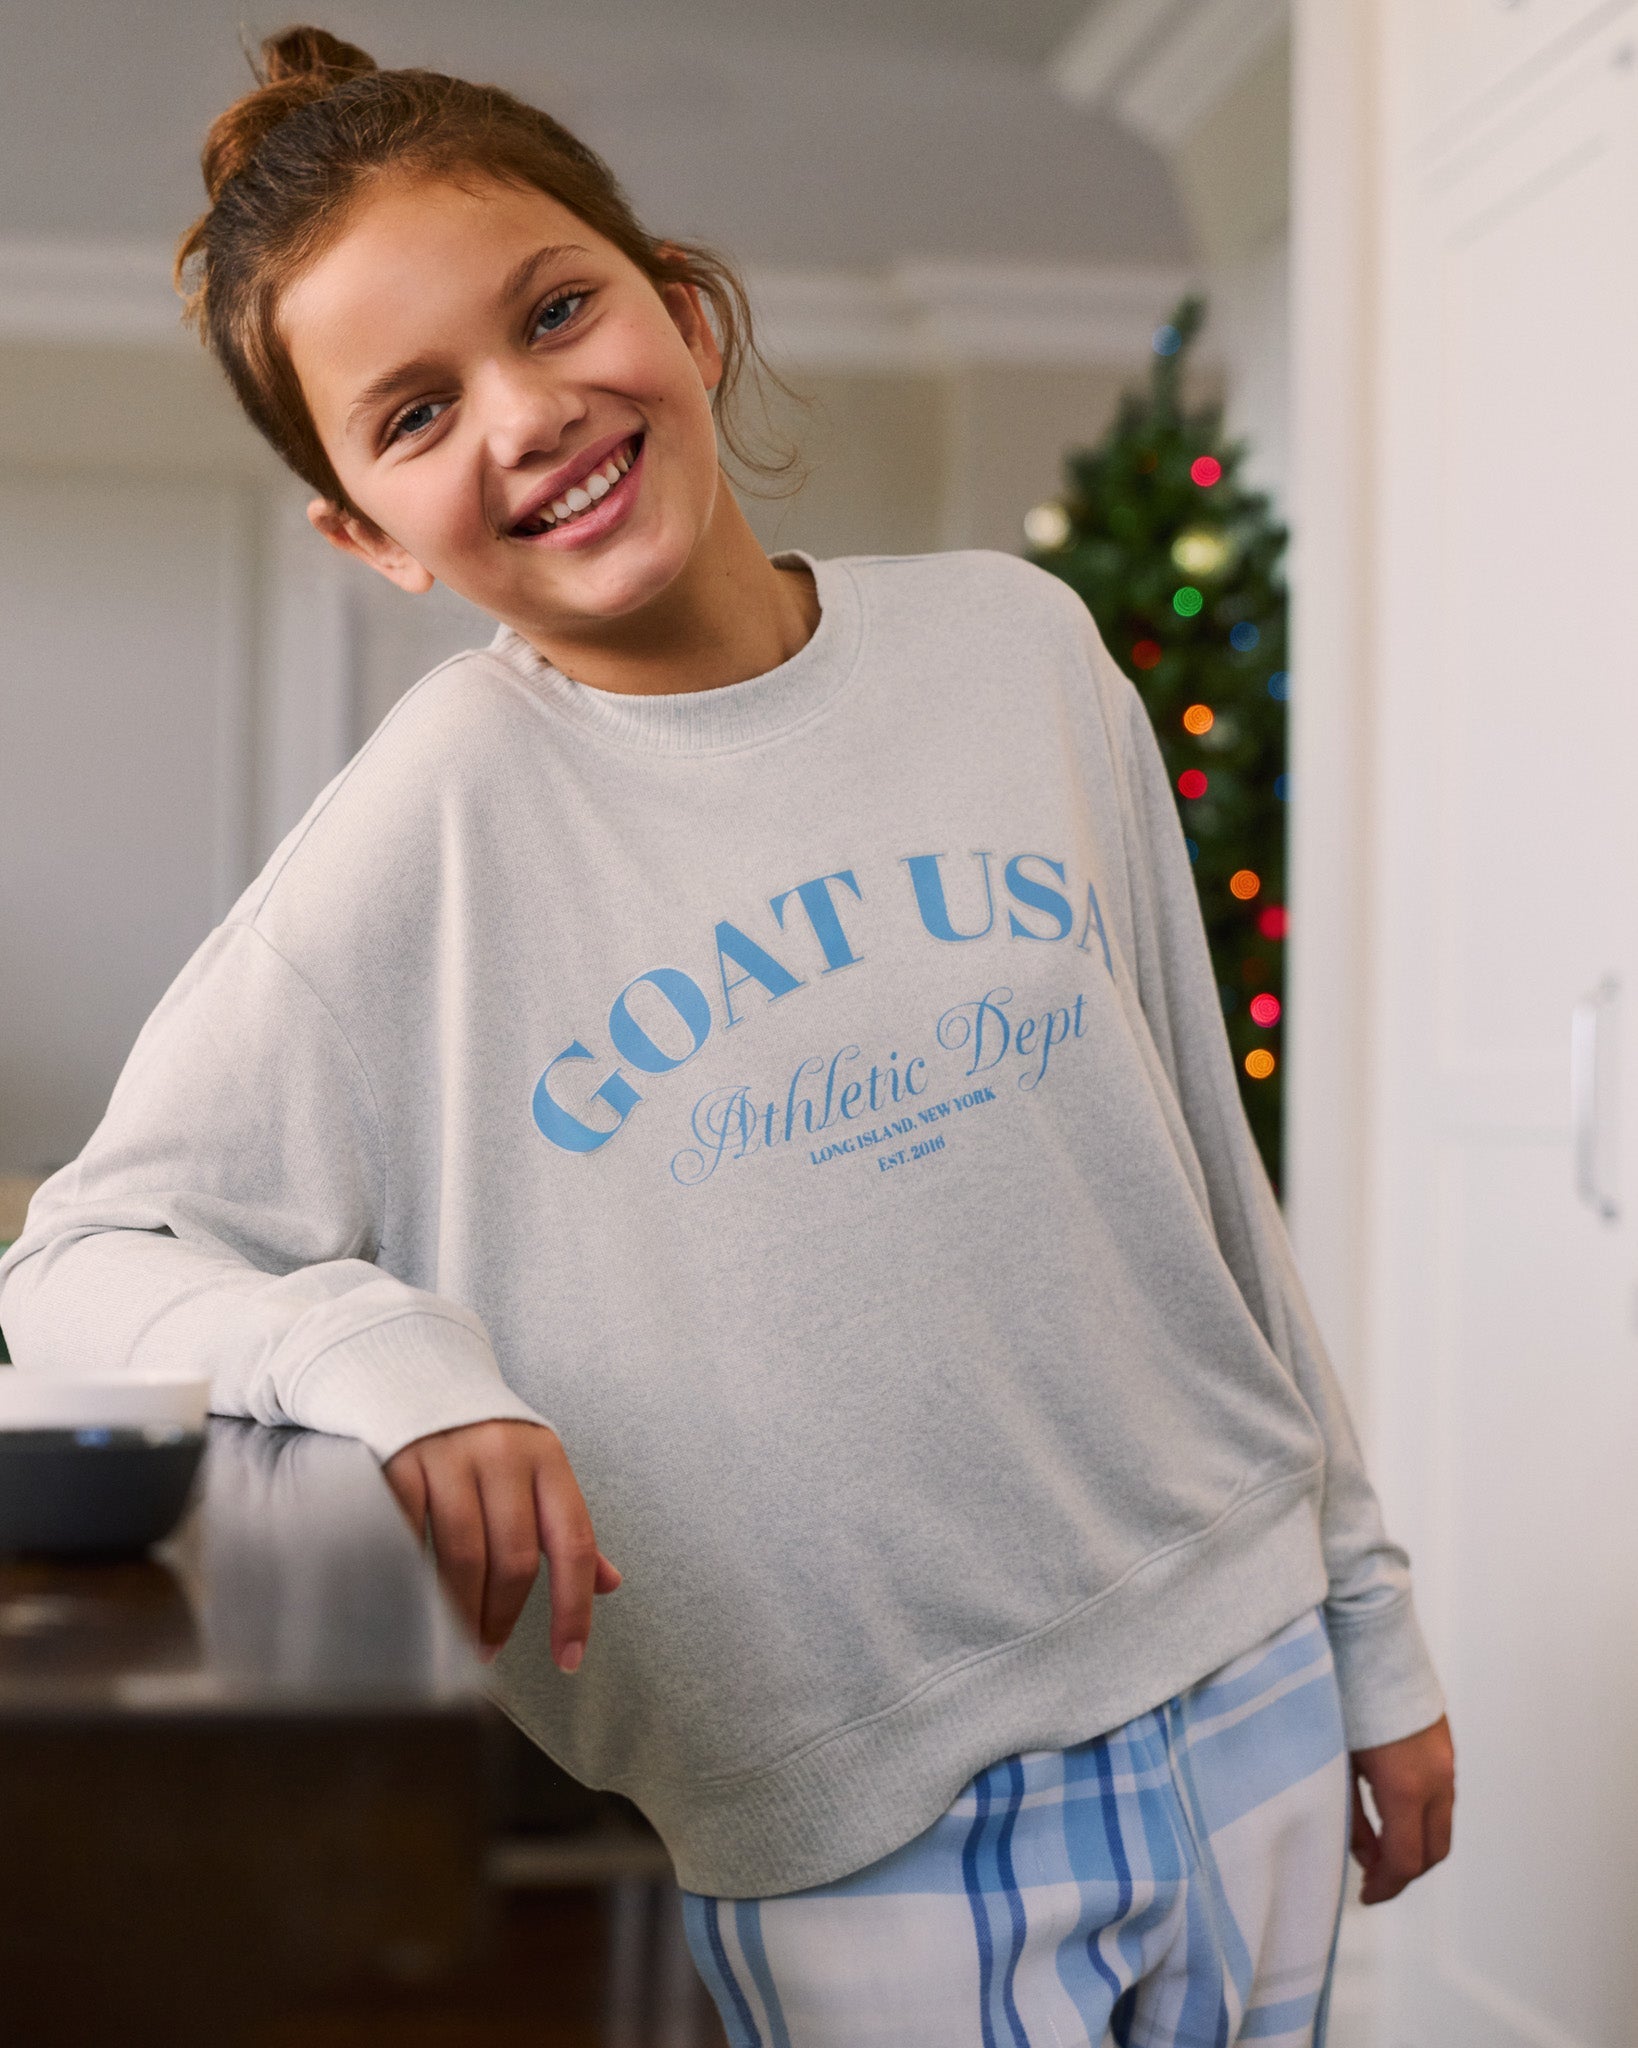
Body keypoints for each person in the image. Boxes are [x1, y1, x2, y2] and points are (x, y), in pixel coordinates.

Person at [0, 27, 1454, 2043]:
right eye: (416, 412)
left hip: (1253, 1675)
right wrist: (384, 1356)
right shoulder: (438, 820)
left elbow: (1218, 1187)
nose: (527, 415)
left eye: (558, 308)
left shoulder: (1021, 651)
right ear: (367, 532)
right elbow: (73, 1263)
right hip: (854, 1822)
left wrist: (1373, 1634)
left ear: (680, 306)